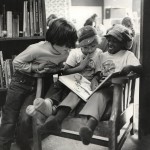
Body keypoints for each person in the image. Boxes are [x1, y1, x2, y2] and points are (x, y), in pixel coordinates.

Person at [38, 24, 142, 145]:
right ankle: (57, 120)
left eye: (115, 41)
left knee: (99, 95)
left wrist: (130, 67)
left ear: (123, 44)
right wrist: (95, 79)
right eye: (109, 40)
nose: (110, 43)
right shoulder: (102, 55)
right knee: (76, 92)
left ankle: (89, 127)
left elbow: (140, 69)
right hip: (100, 85)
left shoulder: (127, 55)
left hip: (115, 88)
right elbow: (98, 73)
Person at [0, 18, 77, 150]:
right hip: (20, 82)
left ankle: (23, 145)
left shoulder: (65, 54)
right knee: (9, 118)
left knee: (26, 117)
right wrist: (36, 67)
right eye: (66, 44)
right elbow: (16, 63)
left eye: (70, 45)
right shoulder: (35, 49)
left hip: (37, 84)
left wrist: (54, 69)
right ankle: (3, 146)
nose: (68, 48)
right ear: (54, 39)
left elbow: (58, 68)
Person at [31, 25, 103, 136]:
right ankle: (49, 105)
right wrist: (81, 67)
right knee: (59, 83)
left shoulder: (98, 53)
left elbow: (98, 71)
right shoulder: (75, 53)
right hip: (72, 80)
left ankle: (56, 118)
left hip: (86, 84)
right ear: (80, 46)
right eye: (86, 47)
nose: (90, 50)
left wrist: (95, 78)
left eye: (93, 46)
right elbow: (65, 71)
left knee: (77, 94)